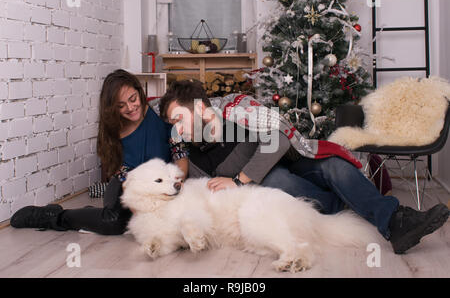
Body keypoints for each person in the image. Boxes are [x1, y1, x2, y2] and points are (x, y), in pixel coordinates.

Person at [158, 80, 449, 254]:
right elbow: (196, 192)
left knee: (334, 166)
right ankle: (348, 205)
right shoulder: (191, 158)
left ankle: (397, 220)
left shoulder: (234, 114)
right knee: (277, 180)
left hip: (296, 158)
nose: (178, 129)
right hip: (274, 184)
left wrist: (238, 179)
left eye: (178, 118)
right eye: (173, 124)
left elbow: (279, 139)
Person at [10, 69, 188, 235]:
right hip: (126, 187)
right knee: (114, 222)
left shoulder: (159, 112)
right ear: (113, 108)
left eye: (133, 99)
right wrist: (141, 210)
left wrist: (178, 181)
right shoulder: (112, 132)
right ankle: (54, 216)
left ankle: (89, 215)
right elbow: (125, 181)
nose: (131, 107)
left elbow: (180, 154)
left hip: (162, 184)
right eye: (121, 105)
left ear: (139, 91)